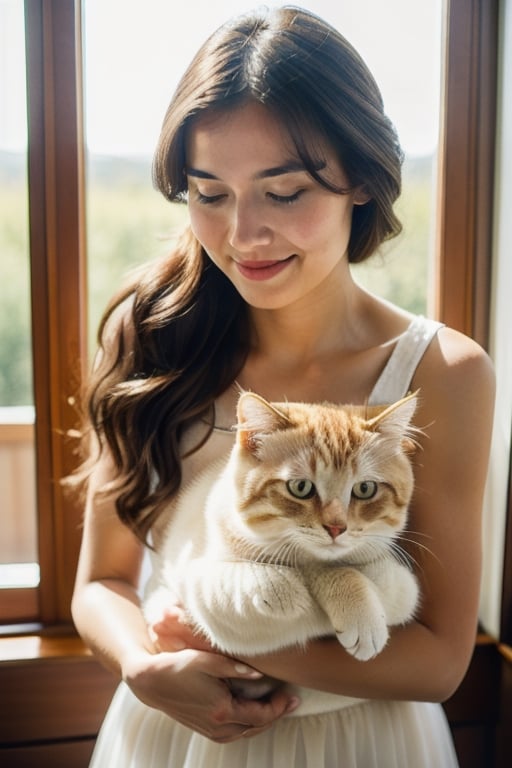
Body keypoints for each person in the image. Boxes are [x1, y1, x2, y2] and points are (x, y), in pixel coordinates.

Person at [71, 5, 495, 767]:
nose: (242, 234)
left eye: (285, 192)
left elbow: (438, 660)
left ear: (361, 179)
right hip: (168, 735)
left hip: (367, 743)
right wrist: (145, 669)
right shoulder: (151, 337)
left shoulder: (442, 374)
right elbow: (100, 582)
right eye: (210, 193)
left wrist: (217, 639)